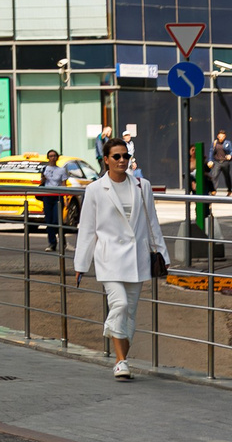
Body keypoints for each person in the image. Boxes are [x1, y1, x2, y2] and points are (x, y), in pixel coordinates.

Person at [75, 136, 167, 380]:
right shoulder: (95, 189)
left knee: (130, 313)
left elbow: (152, 223)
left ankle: (121, 361)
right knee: (120, 305)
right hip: (109, 259)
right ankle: (116, 345)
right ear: (106, 160)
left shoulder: (142, 185)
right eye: (116, 156)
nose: (122, 160)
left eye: (126, 156)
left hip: (137, 259)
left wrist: (163, 254)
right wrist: (81, 264)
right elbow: (87, 229)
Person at [37, 150, 70, 254]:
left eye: (54, 156)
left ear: (57, 157)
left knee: (57, 220)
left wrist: (66, 198)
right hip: (47, 196)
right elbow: (42, 182)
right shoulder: (45, 169)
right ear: (48, 158)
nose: (52, 158)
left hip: (57, 196)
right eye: (50, 156)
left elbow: (64, 184)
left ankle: (62, 240)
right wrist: (43, 178)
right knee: (49, 221)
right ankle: (52, 243)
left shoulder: (61, 170)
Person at [211, 130, 232, 200]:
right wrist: (210, 160)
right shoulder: (215, 143)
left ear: (225, 137)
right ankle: (213, 190)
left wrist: (230, 155)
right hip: (217, 162)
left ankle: (230, 190)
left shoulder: (227, 143)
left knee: (227, 177)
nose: (221, 138)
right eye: (220, 136)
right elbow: (211, 151)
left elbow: (231, 151)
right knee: (214, 176)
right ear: (218, 136)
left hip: (225, 162)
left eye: (223, 136)